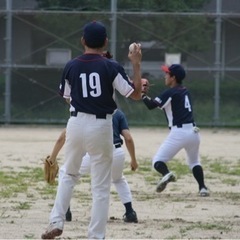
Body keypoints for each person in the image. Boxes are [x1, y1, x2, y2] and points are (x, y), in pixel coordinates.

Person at [41, 20, 142, 239]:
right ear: (105, 42)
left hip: (76, 123)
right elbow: (134, 95)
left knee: (68, 173)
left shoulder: (71, 65)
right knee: (100, 187)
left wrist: (83, 103)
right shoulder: (111, 66)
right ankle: (96, 236)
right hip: (101, 125)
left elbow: (67, 97)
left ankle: (56, 221)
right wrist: (136, 63)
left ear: (83, 41)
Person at [44, 109, 139, 223]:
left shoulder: (86, 112)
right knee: (118, 179)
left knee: (66, 173)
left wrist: (53, 157)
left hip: (95, 153)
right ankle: (130, 212)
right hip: (117, 152)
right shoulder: (118, 113)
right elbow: (128, 138)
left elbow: (62, 137)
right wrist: (133, 160)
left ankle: (65, 210)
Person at [141, 64, 209, 197]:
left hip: (179, 132)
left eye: (167, 74)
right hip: (194, 132)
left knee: (157, 161)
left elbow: (150, 106)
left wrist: (142, 94)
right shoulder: (185, 90)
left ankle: (167, 174)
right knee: (194, 162)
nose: (165, 76)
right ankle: (202, 188)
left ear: (173, 77)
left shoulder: (171, 92)